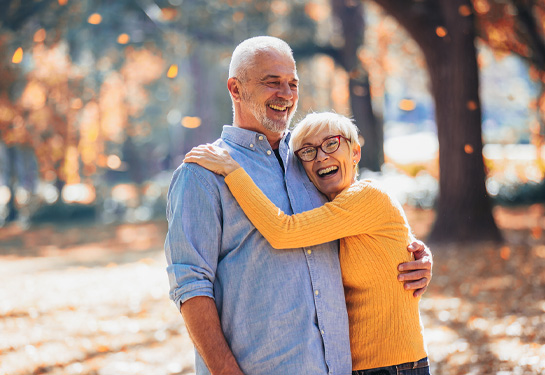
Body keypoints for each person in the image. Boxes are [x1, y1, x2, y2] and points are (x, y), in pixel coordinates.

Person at [165, 36, 433, 375]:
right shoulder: (202, 173)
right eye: (272, 82)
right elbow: (190, 286)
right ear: (235, 88)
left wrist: (414, 258)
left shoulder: (313, 160)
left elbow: (361, 227)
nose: (286, 94)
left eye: (292, 84)